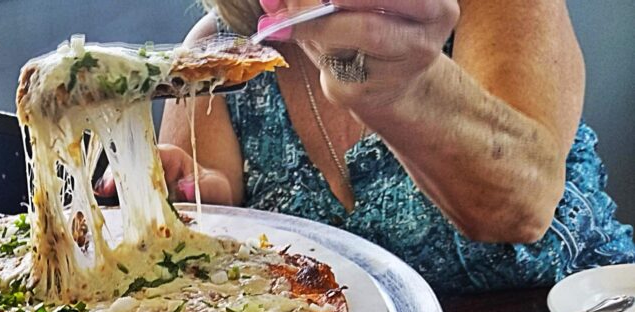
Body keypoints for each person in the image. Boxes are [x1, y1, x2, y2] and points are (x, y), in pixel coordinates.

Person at [110, 0, 635, 294]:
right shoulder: (218, 54)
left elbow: (522, 208)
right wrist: (198, 201)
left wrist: (404, 89)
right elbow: (203, 230)